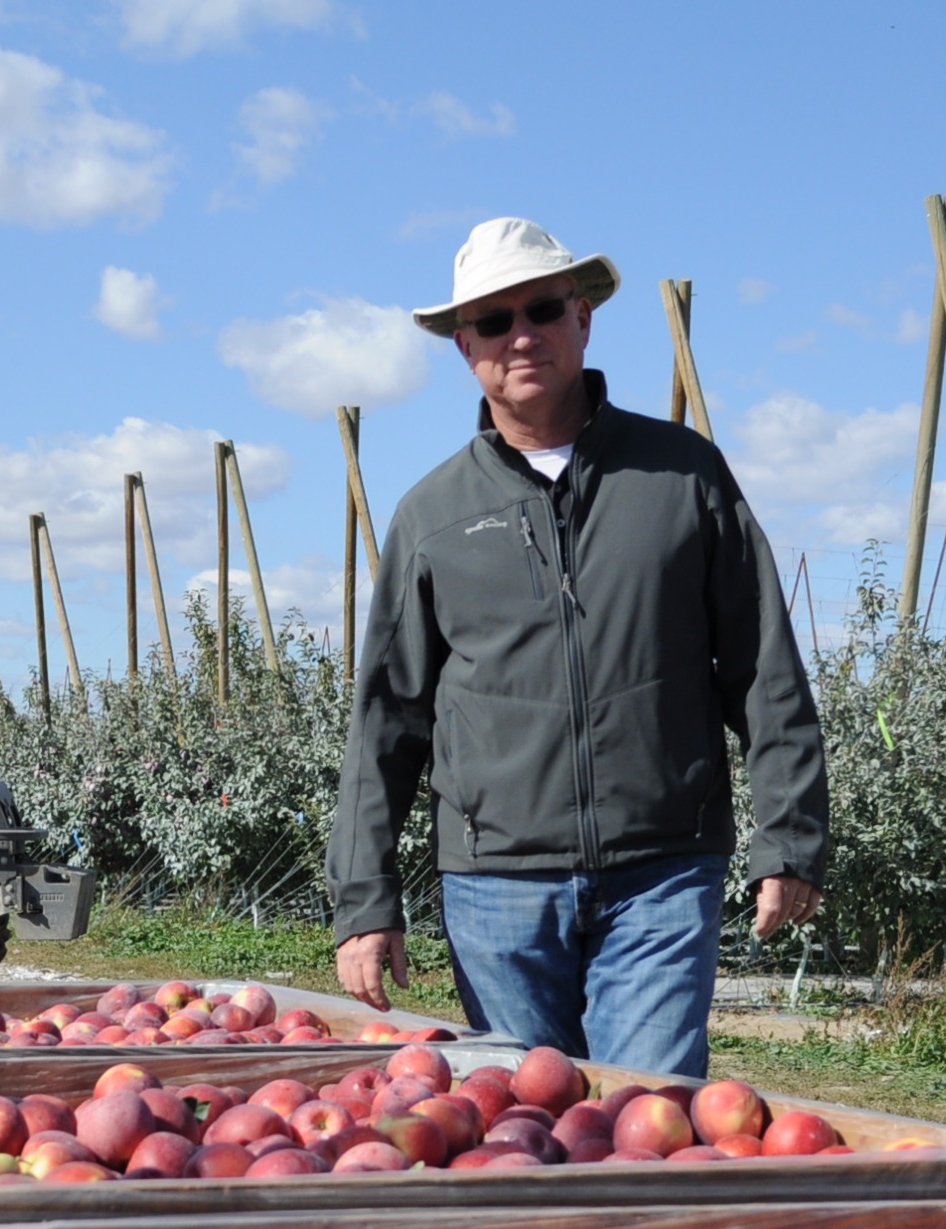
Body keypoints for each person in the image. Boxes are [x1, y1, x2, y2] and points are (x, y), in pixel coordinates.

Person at [327, 217, 830, 1078]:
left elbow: (763, 665)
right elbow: (387, 722)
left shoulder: (682, 477)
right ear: (464, 346)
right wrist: (365, 901)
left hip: (664, 868)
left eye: (544, 309)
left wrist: (790, 838)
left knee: (652, 1114)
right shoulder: (433, 517)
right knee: (525, 1127)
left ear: (583, 318)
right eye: (493, 320)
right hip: (497, 887)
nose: (522, 335)